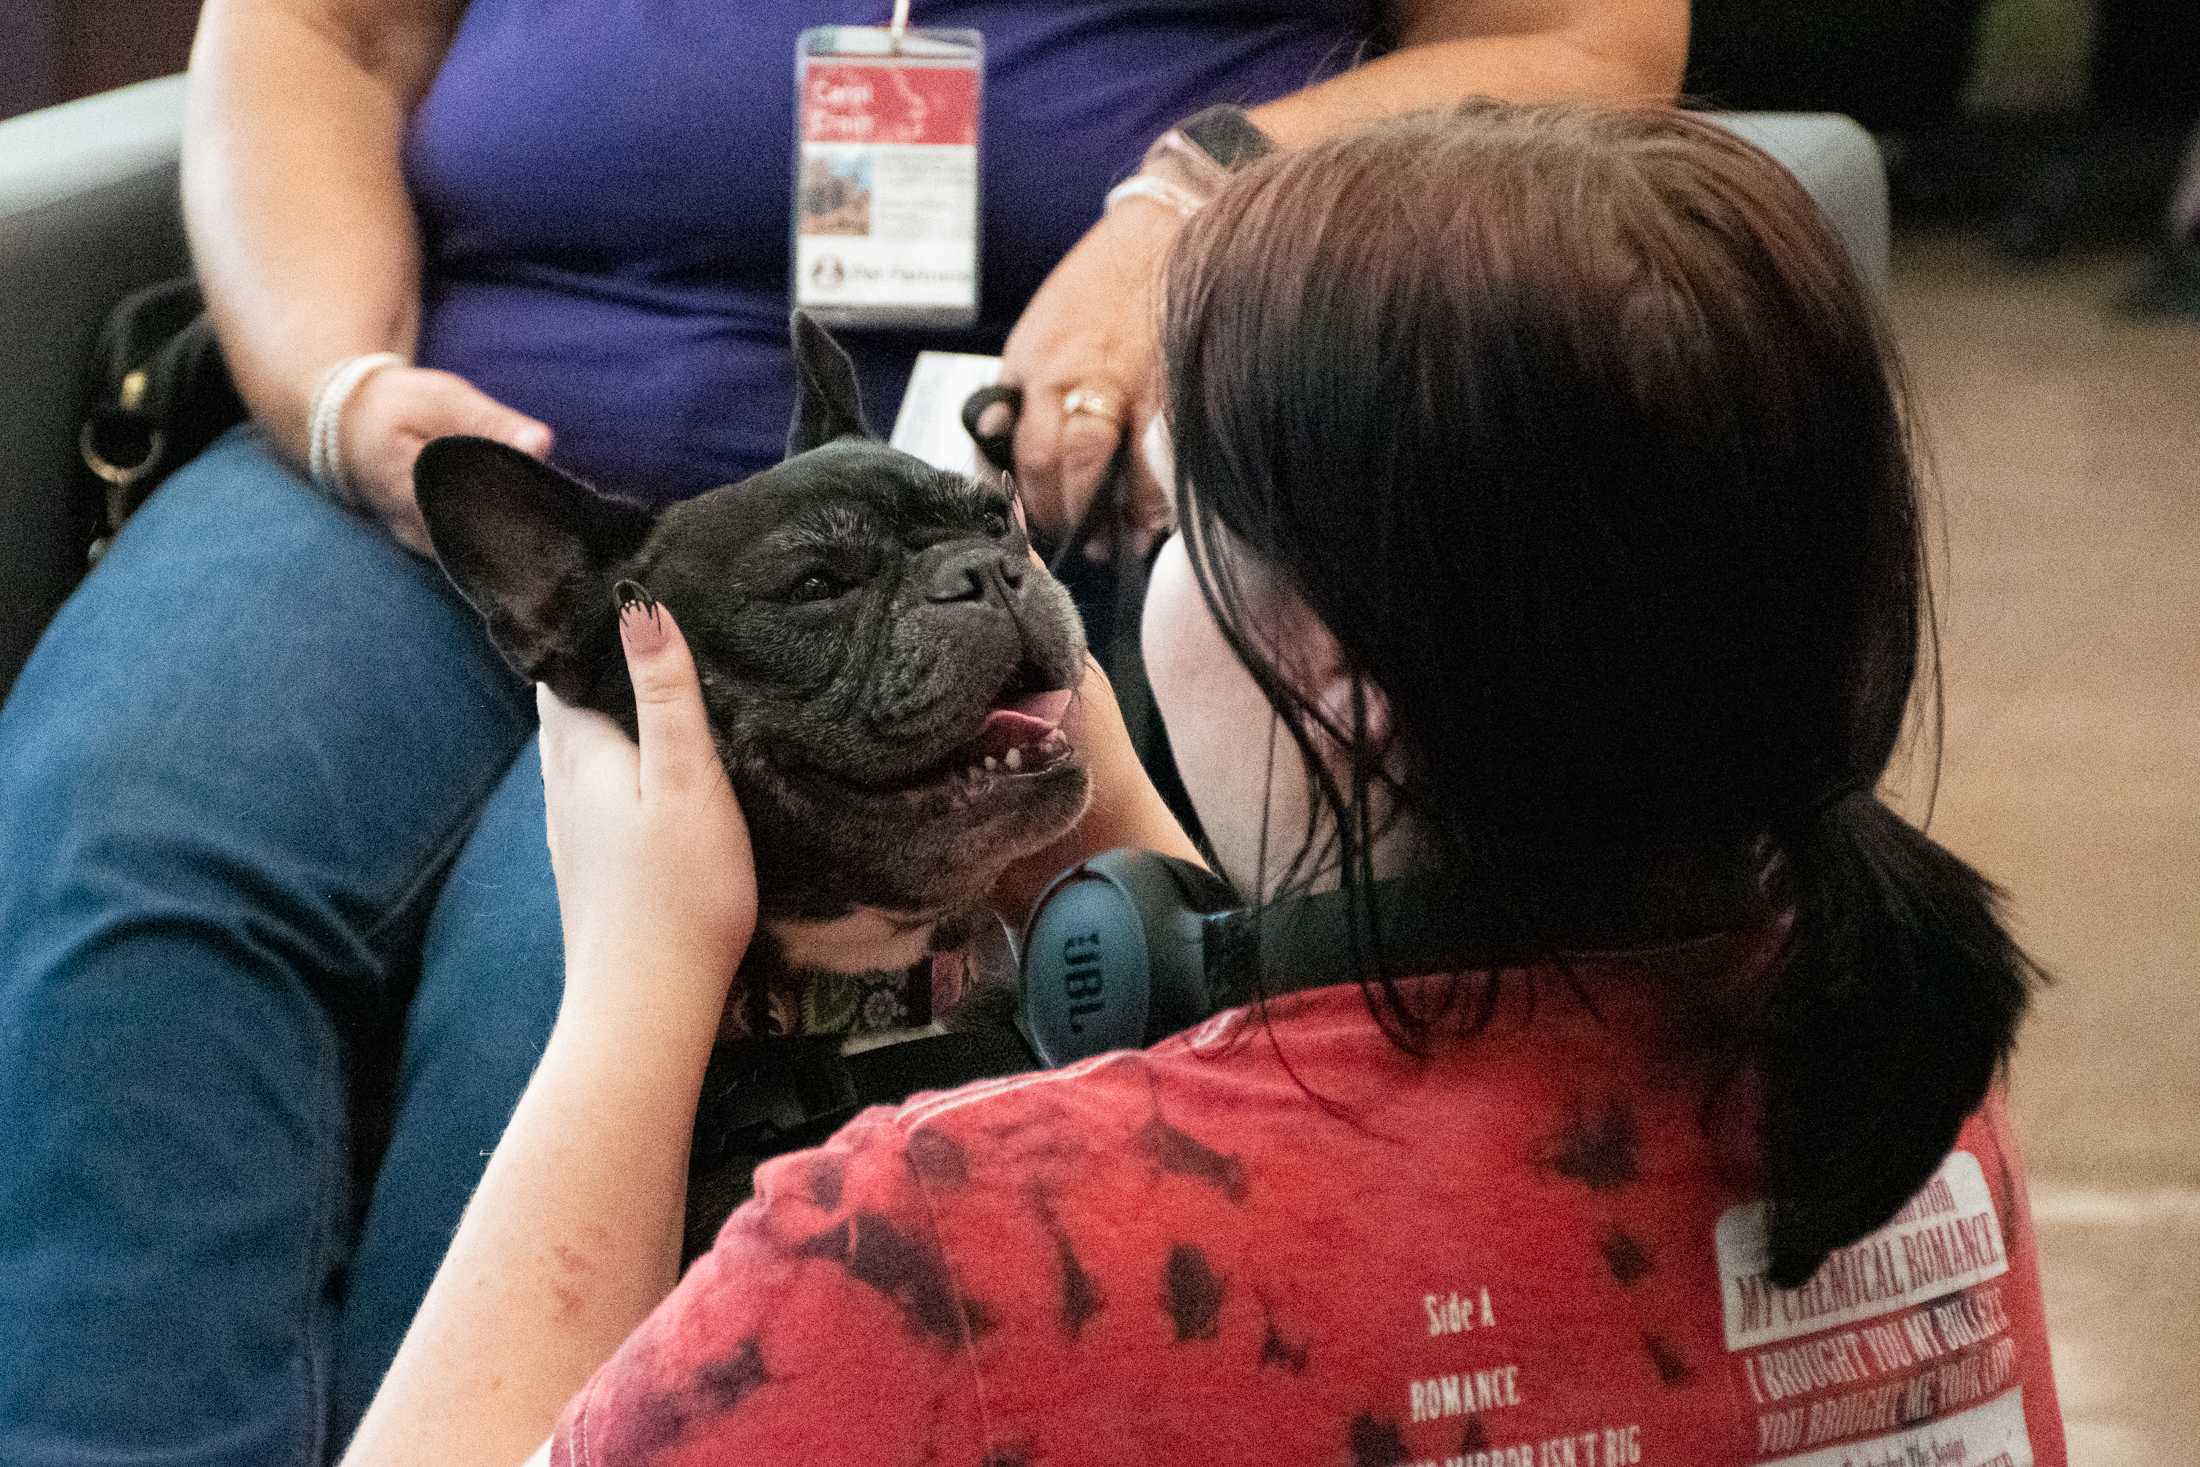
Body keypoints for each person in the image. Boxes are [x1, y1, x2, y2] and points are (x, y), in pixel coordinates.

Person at [0, 3, 1687, 1464]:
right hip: (475, 444)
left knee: (569, 955)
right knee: (115, 834)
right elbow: (319, 29)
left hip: (1020, 472)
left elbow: (1582, 40)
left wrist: (1207, 194)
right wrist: (338, 390)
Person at [336, 103, 2068, 1467]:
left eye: (1173, 521)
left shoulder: (931, 1249)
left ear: (1336, 672)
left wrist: (639, 987)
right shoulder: (1903, 1093)